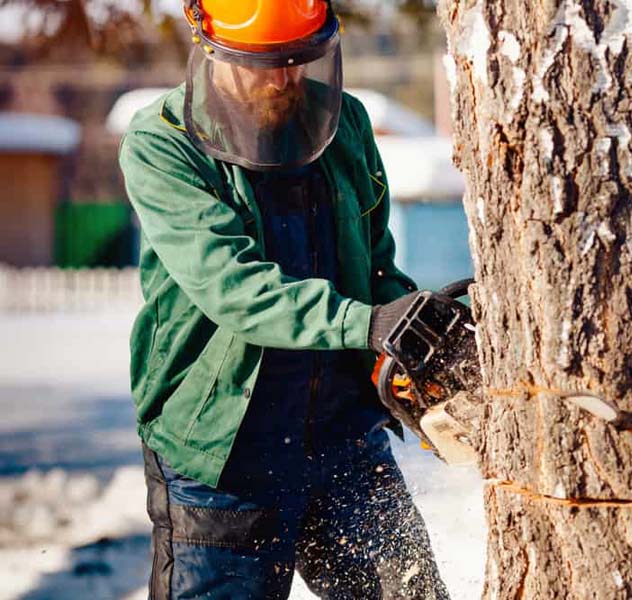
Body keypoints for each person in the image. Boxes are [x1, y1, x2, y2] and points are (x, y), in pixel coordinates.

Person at [118, 1, 451, 598]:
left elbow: (375, 263)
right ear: (210, 46)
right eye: (265, 63)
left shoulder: (342, 122)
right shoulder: (163, 143)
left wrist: (410, 330)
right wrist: (366, 323)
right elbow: (234, 287)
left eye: (301, 60)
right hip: (223, 450)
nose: (285, 78)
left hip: (344, 434)